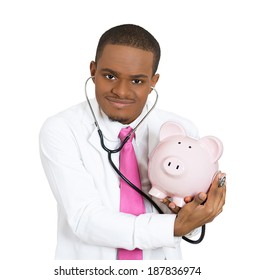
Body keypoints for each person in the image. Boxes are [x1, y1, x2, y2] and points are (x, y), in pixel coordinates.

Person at [39, 24, 226, 260]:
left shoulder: (180, 130)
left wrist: (197, 211)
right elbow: (84, 219)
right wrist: (173, 228)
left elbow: (187, 220)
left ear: (153, 81)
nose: (122, 91)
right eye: (110, 76)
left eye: (137, 81)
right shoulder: (62, 129)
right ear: (93, 71)